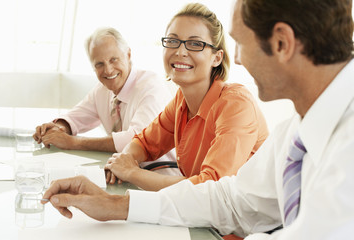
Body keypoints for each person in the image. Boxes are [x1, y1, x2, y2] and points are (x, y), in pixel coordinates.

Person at [43, 0, 354, 239]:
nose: (240, 58)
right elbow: (231, 199)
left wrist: (129, 182)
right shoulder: (296, 133)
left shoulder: (346, 147)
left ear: (282, 43)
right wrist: (114, 206)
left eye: (240, 43)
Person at [103, 3, 268, 191]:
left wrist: (131, 172)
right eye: (173, 41)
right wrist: (123, 160)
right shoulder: (182, 99)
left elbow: (210, 187)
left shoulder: (237, 105)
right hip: (205, 212)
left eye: (195, 44)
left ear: (217, 58)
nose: (180, 51)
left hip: (247, 216)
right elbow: (145, 143)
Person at [33, 27, 178, 173]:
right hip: (127, 174)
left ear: (128, 55)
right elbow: (76, 117)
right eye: (99, 64)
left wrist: (73, 142)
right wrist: (58, 128)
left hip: (162, 177)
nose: (108, 70)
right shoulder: (103, 89)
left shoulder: (150, 87)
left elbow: (135, 139)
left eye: (113, 60)